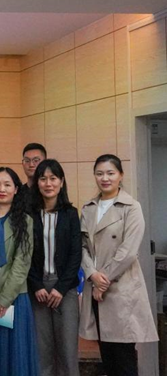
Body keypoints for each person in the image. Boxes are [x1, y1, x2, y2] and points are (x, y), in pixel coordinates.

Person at [79, 154, 158, 376]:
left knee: (124, 359)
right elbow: (81, 247)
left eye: (110, 173)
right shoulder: (88, 208)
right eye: (99, 173)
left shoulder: (131, 207)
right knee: (108, 358)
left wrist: (102, 281)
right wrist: (92, 275)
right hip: (96, 291)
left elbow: (128, 252)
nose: (105, 178)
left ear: (120, 175)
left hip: (121, 290)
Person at [0, 167, 39, 376]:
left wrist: (4, 299)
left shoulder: (25, 221)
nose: (1, 189)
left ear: (16, 189)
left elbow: (22, 263)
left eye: (7, 185)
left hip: (14, 300)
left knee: (14, 359)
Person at [27, 160, 81, 376]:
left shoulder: (70, 214)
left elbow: (75, 254)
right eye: (43, 178)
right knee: (42, 351)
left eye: (53, 178)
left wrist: (61, 288)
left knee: (67, 350)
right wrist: (36, 285)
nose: (48, 183)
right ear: (37, 183)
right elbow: (24, 254)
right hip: (37, 290)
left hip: (64, 289)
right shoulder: (29, 214)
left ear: (61, 181)